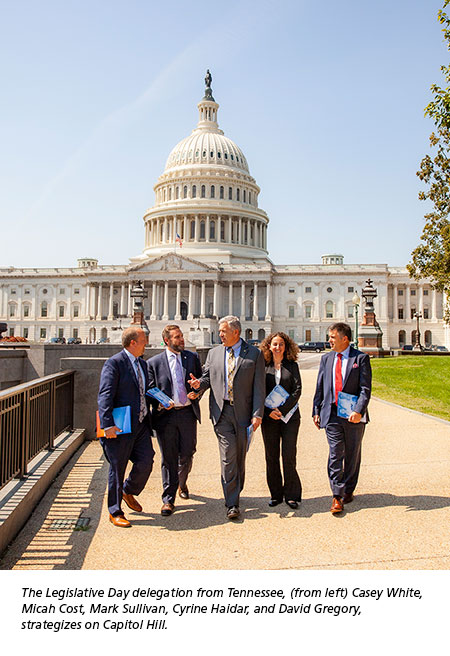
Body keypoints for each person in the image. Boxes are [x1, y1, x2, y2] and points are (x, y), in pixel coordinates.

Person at [189, 315, 265, 520]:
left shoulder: (254, 354)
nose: (220, 334)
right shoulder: (214, 353)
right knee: (228, 456)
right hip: (221, 412)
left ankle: (235, 489)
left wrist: (258, 414)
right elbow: (207, 378)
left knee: (239, 456)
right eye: (220, 331)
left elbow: (259, 387)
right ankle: (232, 503)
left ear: (236, 332)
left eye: (223, 331)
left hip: (243, 413)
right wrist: (199, 385)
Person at [97, 327, 154, 528]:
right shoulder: (114, 363)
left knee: (146, 461)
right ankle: (115, 511)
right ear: (133, 343)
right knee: (117, 468)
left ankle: (128, 490)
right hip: (120, 425)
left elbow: (146, 390)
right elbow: (105, 395)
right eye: (143, 341)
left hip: (140, 424)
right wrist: (107, 425)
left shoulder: (143, 364)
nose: (146, 344)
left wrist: (162, 400)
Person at [312, 322, 371, 514]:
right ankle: (337, 495)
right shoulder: (326, 359)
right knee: (336, 453)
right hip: (332, 414)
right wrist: (316, 410)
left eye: (332, 337)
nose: (329, 340)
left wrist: (359, 411)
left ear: (344, 339)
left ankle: (348, 489)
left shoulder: (360, 358)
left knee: (352, 455)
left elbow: (365, 389)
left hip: (353, 415)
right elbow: (320, 386)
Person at [147, 324, 202, 516]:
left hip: (187, 413)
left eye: (182, 336)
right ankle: (168, 499)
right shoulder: (154, 363)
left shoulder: (192, 358)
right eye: (177, 337)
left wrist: (197, 391)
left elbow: (200, 382)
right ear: (167, 341)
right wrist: (161, 403)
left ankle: (181, 482)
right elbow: (150, 389)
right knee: (168, 457)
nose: (182, 340)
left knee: (188, 452)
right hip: (166, 416)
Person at [260, 332, 302, 509]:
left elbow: (297, 389)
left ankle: (292, 495)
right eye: (274, 344)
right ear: (269, 346)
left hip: (290, 416)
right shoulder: (262, 366)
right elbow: (257, 391)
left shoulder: (292, 366)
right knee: (271, 456)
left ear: (287, 347)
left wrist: (282, 409)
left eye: (281, 344)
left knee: (289, 455)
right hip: (269, 418)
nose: (278, 347)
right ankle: (276, 494)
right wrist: (268, 410)